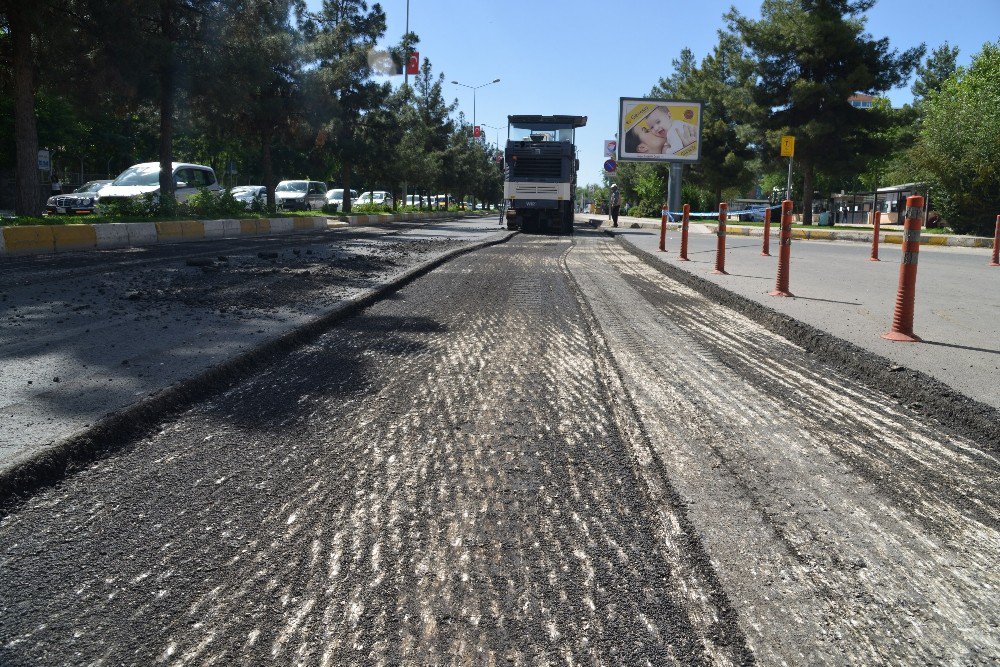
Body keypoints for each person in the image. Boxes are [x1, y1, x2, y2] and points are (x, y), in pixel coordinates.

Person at [623, 104, 698, 156]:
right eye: (651, 128)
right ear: (642, 148)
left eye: (658, 122)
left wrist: (666, 152)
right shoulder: (673, 129)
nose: (655, 128)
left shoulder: (672, 131)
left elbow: (674, 151)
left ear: (669, 116)